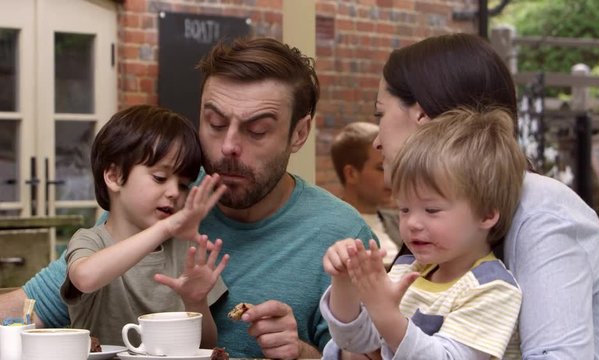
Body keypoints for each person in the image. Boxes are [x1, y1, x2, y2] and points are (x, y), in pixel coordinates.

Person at [3, 37, 376, 359]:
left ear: (299, 133)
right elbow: (42, 302)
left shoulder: (341, 234)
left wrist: (301, 351)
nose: (228, 146)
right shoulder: (166, 198)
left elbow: (369, 354)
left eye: (257, 130)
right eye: (214, 123)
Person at [365, 33, 599, 358]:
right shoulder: (432, 229)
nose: (376, 142)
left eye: (380, 115)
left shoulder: (539, 209)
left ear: (422, 117)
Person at [322, 107, 526, 359]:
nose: (412, 223)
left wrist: (386, 315)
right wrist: (344, 282)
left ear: (486, 215)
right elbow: (354, 342)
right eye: (404, 209)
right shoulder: (408, 269)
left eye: (431, 209)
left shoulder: (492, 289)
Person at [60, 105, 229, 347]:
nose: (173, 193)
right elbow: (85, 278)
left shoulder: (185, 249)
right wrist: (166, 227)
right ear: (114, 176)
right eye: (160, 178)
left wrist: (196, 302)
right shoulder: (90, 241)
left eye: (183, 185)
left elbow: (207, 346)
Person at [330, 122, 401, 266]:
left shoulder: (401, 223)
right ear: (351, 174)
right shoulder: (329, 229)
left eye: (392, 166)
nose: (391, 177)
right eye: (381, 168)